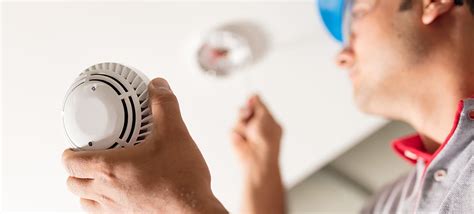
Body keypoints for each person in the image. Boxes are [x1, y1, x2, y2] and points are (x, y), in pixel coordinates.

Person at [62, 0, 474, 213]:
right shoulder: (393, 203)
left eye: (356, 18)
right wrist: (262, 173)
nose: (342, 55)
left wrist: (180, 206)